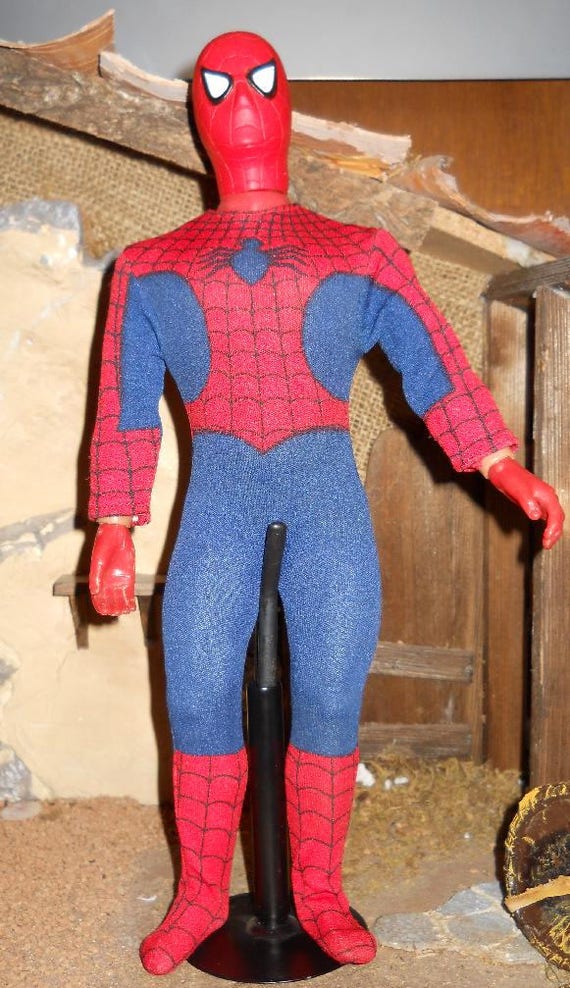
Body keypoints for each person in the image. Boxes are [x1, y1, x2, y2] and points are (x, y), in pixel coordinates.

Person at [88, 31, 564, 976]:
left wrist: (500, 462)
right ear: (195, 110)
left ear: (288, 99)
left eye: (261, 81)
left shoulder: (359, 250)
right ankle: (197, 895)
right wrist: (113, 522)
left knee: (333, 695)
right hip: (217, 500)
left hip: (327, 501)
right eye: (219, 85)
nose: (242, 102)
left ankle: (317, 892)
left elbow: (433, 361)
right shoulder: (149, 265)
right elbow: (124, 402)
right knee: (196, 691)